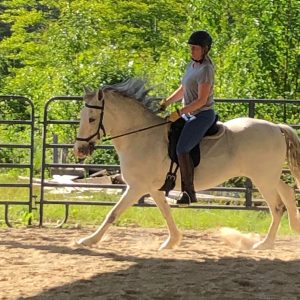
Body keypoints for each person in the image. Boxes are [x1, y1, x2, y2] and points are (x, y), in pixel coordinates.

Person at [160, 30, 216, 205]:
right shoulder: (191, 66)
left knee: (182, 148)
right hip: (189, 114)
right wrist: (166, 102)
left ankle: (189, 192)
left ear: (205, 49)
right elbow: (183, 89)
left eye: (195, 48)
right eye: (191, 48)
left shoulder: (206, 69)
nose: (192, 51)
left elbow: (201, 100)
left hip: (202, 115)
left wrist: (180, 112)